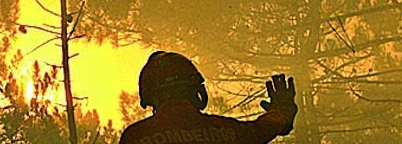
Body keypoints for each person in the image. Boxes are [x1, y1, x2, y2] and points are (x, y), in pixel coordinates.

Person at [119, 51, 297, 144]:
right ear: (195, 90)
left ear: (150, 96)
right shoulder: (227, 131)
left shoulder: (137, 136)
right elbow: (264, 129)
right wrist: (282, 111)